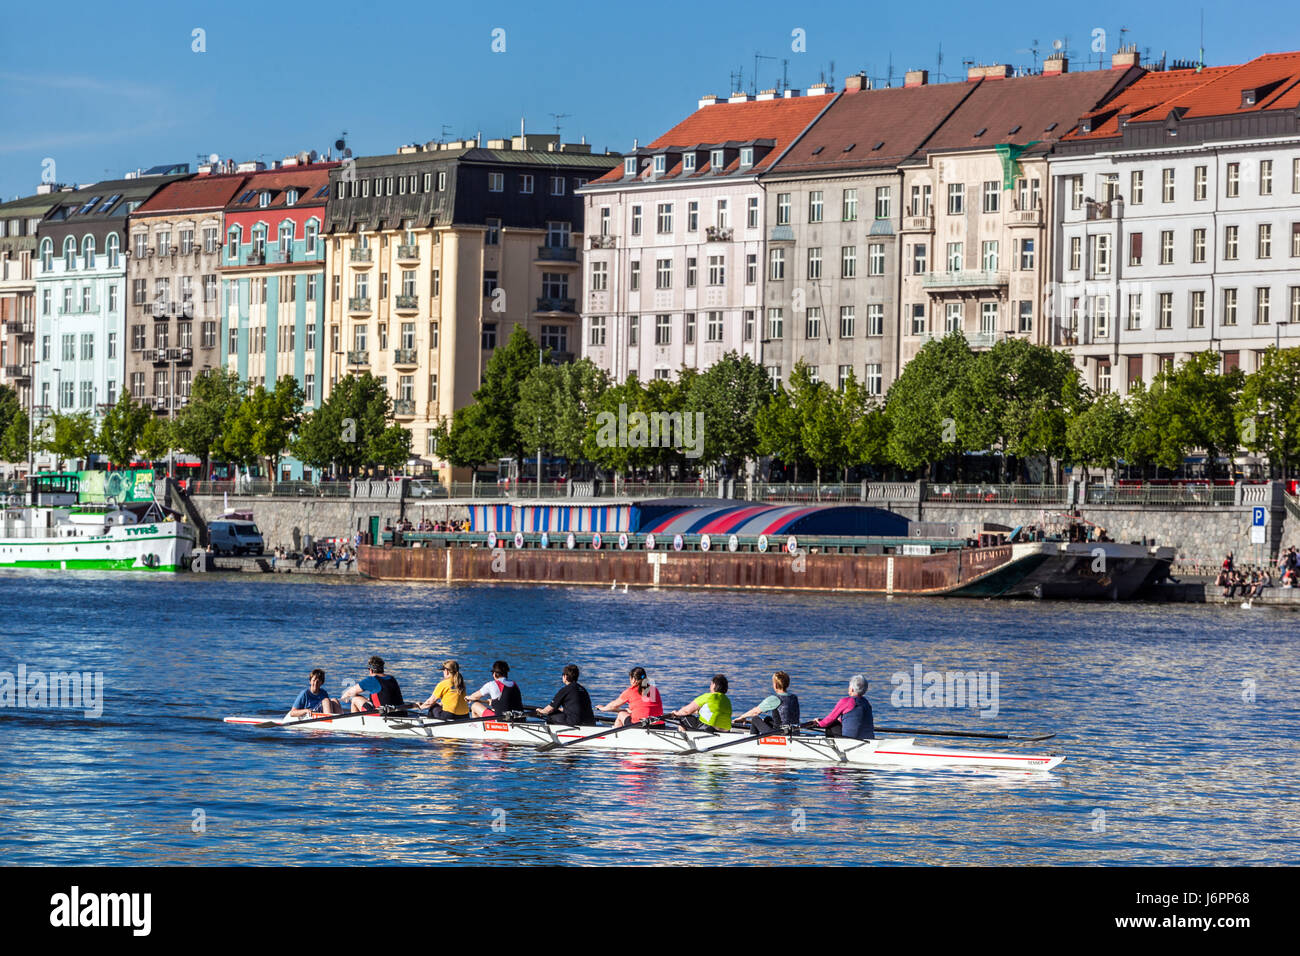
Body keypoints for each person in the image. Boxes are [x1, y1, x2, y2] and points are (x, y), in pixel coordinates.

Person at [735, 671, 800, 736]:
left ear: (776, 685)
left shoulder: (775, 698)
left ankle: (753, 741)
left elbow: (755, 712)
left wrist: (742, 717)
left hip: (780, 733)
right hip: (794, 731)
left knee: (755, 719)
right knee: (767, 719)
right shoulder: (794, 697)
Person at [597, 666, 664, 727]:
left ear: (633, 680)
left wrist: (603, 708)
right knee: (628, 713)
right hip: (659, 725)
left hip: (640, 725)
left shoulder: (630, 691)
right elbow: (647, 706)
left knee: (621, 714)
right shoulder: (654, 689)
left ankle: (617, 738)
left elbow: (613, 706)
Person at [815, 675, 874, 740]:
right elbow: (853, 718)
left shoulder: (846, 701)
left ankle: (832, 747)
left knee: (832, 724)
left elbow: (828, 720)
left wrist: (818, 723)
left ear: (852, 689)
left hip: (850, 740)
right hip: (869, 739)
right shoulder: (866, 703)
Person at [340, 656, 405, 714]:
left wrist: (343, 699)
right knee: (367, 699)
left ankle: (355, 723)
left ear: (370, 670)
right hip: (401, 713)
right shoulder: (392, 678)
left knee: (355, 699)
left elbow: (349, 693)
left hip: (382, 715)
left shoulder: (371, 679)